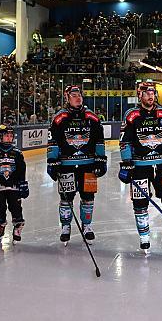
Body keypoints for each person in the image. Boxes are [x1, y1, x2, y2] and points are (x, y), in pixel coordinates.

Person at [118, 81, 162, 254]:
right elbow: (124, 142)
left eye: (152, 93)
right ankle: (144, 237)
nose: (150, 96)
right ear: (139, 95)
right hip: (140, 166)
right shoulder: (132, 115)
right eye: (146, 93)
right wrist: (126, 163)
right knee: (140, 203)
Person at [47, 85, 106, 245]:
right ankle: (66, 227)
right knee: (66, 198)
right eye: (74, 95)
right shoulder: (59, 118)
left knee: (88, 197)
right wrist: (52, 160)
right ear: (67, 97)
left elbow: (99, 141)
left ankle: (87, 226)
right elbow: (53, 141)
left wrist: (101, 159)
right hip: (66, 164)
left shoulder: (92, 117)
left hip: (88, 164)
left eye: (79, 95)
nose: (77, 98)